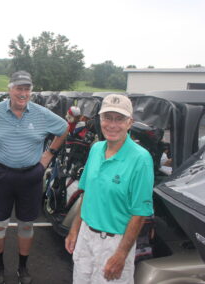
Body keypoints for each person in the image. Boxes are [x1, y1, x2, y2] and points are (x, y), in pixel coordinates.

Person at [0, 71, 68, 284]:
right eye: (19, 88)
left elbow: (64, 128)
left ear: (31, 91)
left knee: (26, 225)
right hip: (1, 175)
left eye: (27, 88)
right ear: (10, 89)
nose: (23, 93)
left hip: (31, 176)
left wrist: (48, 155)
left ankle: (23, 267)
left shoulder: (42, 113)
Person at [65, 94, 154, 283]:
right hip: (86, 236)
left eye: (119, 118)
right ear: (100, 119)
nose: (112, 125)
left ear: (130, 122)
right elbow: (88, 193)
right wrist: (74, 229)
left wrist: (121, 254)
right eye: (107, 117)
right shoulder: (97, 148)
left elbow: (139, 214)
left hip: (114, 243)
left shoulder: (141, 159)